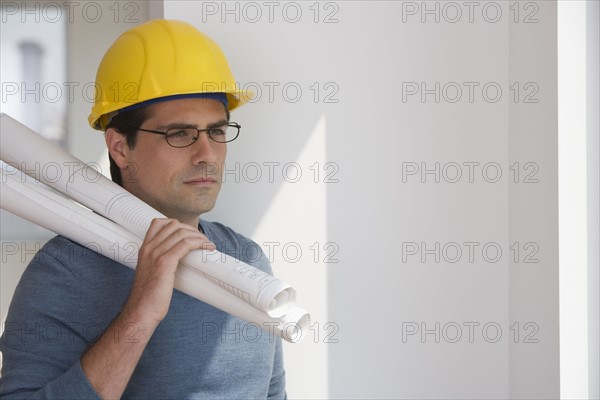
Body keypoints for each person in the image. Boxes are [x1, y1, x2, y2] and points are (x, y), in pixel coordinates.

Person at [0, 19, 286, 399]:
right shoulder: (63, 273)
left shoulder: (246, 259)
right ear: (120, 147)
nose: (207, 155)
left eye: (217, 131)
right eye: (179, 133)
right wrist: (141, 313)